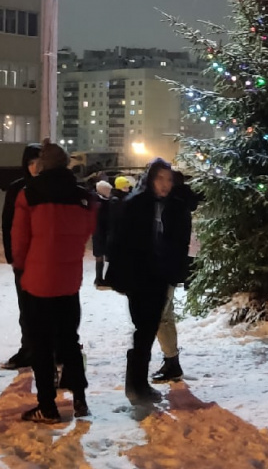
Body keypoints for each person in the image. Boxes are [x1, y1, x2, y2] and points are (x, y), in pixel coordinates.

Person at [11, 141, 98, 423]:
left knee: (41, 345)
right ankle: (80, 399)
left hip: (38, 281)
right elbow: (86, 231)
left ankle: (47, 405)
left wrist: (21, 267)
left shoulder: (29, 194)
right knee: (69, 341)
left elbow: (20, 239)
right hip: (68, 280)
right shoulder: (83, 198)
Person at [107, 159, 191, 404]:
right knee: (143, 329)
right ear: (150, 179)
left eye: (169, 179)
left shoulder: (176, 206)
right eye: (160, 179)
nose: (165, 185)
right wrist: (119, 274)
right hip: (139, 275)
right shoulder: (135, 204)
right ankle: (136, 383)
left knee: (147, 329)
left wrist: (181, 270)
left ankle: (137, 384)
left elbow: (183, 242)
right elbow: (118, 241)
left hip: (161, 275)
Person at [152, 173, 203, 384]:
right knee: (164, 316)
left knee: (157, 316)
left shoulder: (174, 205)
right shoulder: (173, 203)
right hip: (166, 267)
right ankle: (172, 362)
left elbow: (171, 241)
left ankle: (171, 362)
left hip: (165, 268)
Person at [0, 143, 43, 371]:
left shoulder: (49, 188)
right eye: (31, 162)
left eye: (39, 162)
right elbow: (7, 224)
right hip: (23, 260)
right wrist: (12, 255)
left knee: (46, 309)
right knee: (25, 308)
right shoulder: (17, 188)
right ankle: (28, 348)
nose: (35, 167)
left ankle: (48, 350)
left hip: (45, 259)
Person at [91, 180, 114, 289]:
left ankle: (100, 278)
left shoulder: (100, 201)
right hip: (100, 232)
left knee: (102, 255)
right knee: (100, 255)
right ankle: (99, 279)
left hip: (101, 232)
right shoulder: (100, 203)